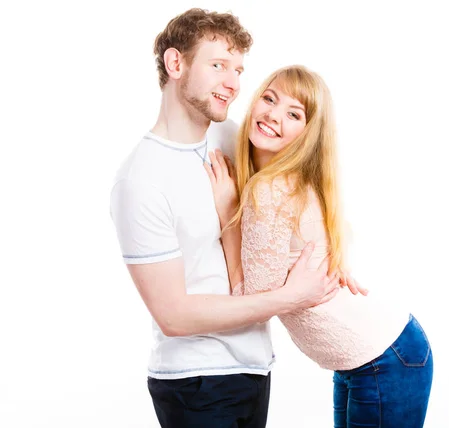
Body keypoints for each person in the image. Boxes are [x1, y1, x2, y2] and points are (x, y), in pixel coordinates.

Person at [109, 9, 351, 428]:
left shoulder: (233, 136)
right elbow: (174, 315)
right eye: (218, 65)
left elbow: (299, 186)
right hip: (195, 381)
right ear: (176, 63)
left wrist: (335, 253)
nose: (234, 83)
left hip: (254, 369)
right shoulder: (140, 180)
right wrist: (289, 298)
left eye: (238, 69)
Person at [204, 65, 434, 427]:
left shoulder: (272, 189)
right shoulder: (283, 181)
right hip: (376, 355)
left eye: (294, 114)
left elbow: (251, 302)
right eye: (269, 98)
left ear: (308, 134)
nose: (272, 115)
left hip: (383, 358)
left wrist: (227, 212)